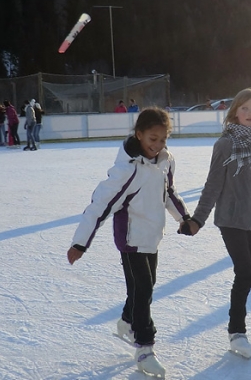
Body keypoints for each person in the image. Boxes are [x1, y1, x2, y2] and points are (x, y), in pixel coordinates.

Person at [66, 107, 195, 377]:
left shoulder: (165, 160)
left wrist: (184, 217)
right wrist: (80, 243)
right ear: (139, 135)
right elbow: (100, 205)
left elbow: (169, 191)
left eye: (162, 139)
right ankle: (144, 347)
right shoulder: (127, 170)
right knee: (143, 287)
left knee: (144, 288)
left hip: (152, 235)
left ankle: (127, 320)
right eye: (152, 139)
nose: (157, 145)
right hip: (130, 239)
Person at [181, 87, 251, 359]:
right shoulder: (225, 145)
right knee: (245, 274)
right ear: (235, 113)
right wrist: (197, 220)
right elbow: (212, 186)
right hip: (231, 220)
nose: (250, 114)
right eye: (245, 109)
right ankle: (236, 332)